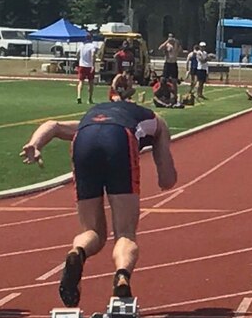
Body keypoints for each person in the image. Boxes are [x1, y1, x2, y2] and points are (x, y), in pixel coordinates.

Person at [20, 75, 177, 306]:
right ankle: (122, 275)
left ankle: (78, 251)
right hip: (120, 140)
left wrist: (35, 144)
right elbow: (167, 180)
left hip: (85, 138)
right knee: (124, 232)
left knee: (93, 231)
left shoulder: (93, 115)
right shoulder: (156, 120)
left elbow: (53, 125)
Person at [75, 33, 101, 104]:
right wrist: (93, 65)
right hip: (89, 66)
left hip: (82, 65)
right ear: (91, 38)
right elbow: (93, 55)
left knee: (81, 82)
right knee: (91, 83)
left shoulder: (81, 45)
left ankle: (79, 96)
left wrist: (78, 61)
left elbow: (77, 54)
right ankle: (89, 99)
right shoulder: (92, 46)